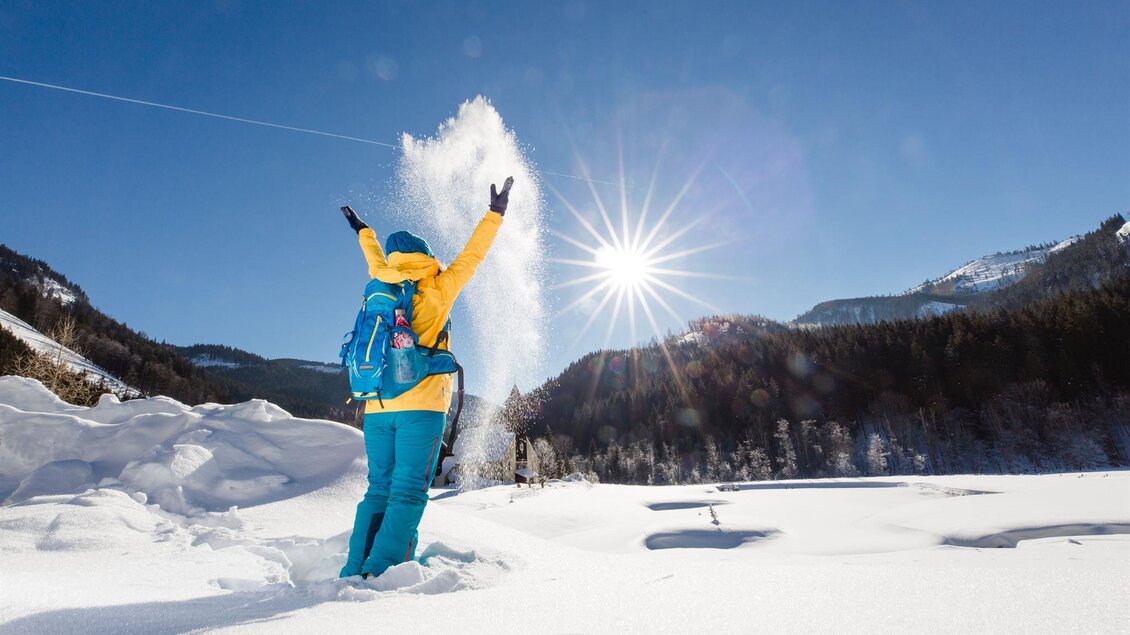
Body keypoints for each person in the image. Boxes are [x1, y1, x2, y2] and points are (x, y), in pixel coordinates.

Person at [338, 179, 511, 579]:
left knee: (377, 490)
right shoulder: (439, 286)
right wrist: (495, 214)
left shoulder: (383, 277)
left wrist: (362, 229)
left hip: (377, 405)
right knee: (407, 492)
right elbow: (473, 255)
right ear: (427, 256)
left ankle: (354, 568)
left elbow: (372, 252)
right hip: (423, 407)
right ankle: (382, 572)